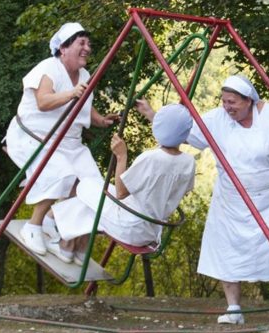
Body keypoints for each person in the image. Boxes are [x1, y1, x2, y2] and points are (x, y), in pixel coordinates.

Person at [185, 75, 269, 324]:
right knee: (226, 247)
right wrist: (153, 114)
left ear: (249, 101)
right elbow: (183, 132)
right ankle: (233, 309)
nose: (227, 107)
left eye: (232, 102)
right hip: (232, 197)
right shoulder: (218, 118)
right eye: (224, 101)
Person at [4, 22, 119, 256]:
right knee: (62, 173)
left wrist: (101, 120)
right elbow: (43, 102)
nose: (87, 48)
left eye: (88, 43)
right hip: (34, 138)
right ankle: (33, 226)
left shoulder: (84, 75)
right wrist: (70, 93)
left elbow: (84, 106)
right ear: (63, 48)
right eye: (81, 43)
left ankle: (65, 239)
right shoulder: (49, 68)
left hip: (68, 144)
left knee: (93, 188)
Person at [44, 102, 196, 263]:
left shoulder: (152, 158)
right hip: (151, 231)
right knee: (97, 195)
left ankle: (59, 235)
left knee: (85, 184)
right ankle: (78, 249)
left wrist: (121, 157)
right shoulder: (188, 163)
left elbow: (121, 193)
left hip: (128, 226)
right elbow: (178, 190)